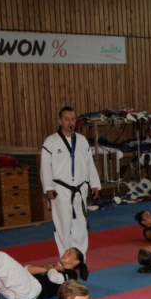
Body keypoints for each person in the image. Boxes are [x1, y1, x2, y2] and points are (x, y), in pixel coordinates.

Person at [41, 106, 101, 257]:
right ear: (60, 121)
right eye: (66, 119)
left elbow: (89, 164)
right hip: (60, 189)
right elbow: (45, 166)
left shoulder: (82, 141)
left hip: (80, 189)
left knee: (81, 224)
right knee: (63, 225)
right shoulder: (51, 141)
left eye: (73, 119)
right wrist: (48, 187)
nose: (70, 122)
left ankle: (80, 258)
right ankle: (65, 259)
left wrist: (94, 184)